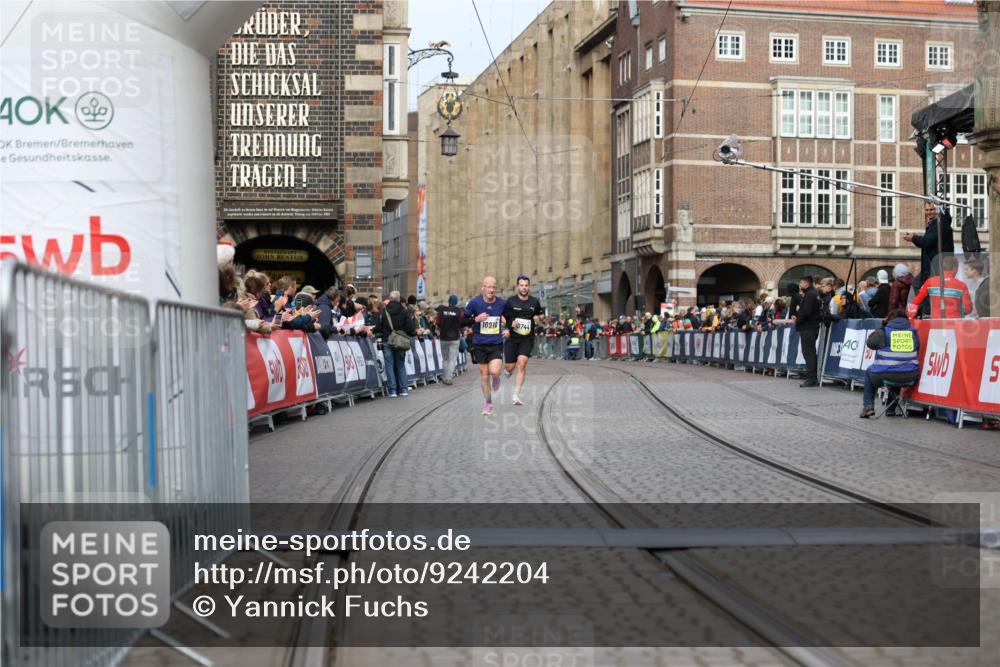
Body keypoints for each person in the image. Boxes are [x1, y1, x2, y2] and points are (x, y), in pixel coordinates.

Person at [859, 309, 920, 418]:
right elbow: (917, 348)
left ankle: (868, 406)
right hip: (910, 376)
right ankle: (891, 409)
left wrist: (880, 328)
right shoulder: (913, 333)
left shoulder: (884, 332)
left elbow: (870, 343)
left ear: (889, 319)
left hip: (884, 375)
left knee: (869, 371)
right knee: (899, 369)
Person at [464, 276, 508, 415]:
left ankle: (496, 378)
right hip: (479, 344)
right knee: (484, 375)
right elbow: (463, 320)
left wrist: (508, 330)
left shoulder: (502, 303)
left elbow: (510, 318)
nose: (491, 290)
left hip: (495, 343)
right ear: (483, 287)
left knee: (494, 371)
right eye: (489, 287)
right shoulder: (474, 303)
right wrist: (475, 319)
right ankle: (488, 403)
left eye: (494, 287)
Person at [502, 275, 544, 405]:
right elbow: (502, 317)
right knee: (510, 366)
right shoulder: (510, 301)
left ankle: (515, 395)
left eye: (526, 285)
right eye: (521, 285)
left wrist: (538, 318)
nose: (524, 288)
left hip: (527, 338)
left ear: (529, 287)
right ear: (517, 287)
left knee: (522, 363)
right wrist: (508, 326)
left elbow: (541, 315)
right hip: (512, 338)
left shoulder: (534, 301)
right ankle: (508, 370)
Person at [904, 202, 954, 310]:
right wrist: (915, 238)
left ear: (937, 210)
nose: (928, 212)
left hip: (936, 264)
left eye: (931, 210)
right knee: (919, 284)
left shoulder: (939, 223)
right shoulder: (936, 223)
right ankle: (925, 308)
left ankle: (927, 309)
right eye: (927, 210)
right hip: (933, 263)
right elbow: (927, 242)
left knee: (923, 286)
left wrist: (913, 238)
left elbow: (927, 241)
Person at [375, 290, 417, 398]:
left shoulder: (383, 311)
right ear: (399, 299)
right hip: (400, 341)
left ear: (389, 299)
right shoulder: (404, 311)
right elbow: (410, 328)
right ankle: (403, 389)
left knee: (389, 365)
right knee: (400, 364)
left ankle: (392, 390)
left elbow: (378, 327)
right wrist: (411, 333)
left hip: (387, 340)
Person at [909, 254, 972, 319]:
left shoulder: (930, 282)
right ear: (955, 268)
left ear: (942, 268)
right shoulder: (962, 285)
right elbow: (968, 309)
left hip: (936, 321)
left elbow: (916, 302)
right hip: (955, 322)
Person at [796, 275, 821, 387]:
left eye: (801, 282)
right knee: (810, 352)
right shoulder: (814, 294)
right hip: (811, 327)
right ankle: (811, 377)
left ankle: (811, 378)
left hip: (808, 327)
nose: (800, 285)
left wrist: (798, 321)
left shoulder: (810, 294)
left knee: (809, 353)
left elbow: (807, 311)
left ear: (806, 283)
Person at [436, 294, 464, 385]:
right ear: (456, 302)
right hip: (455, 338)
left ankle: (444, 377)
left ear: (449, 301)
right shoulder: (459, 311)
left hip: (444, 337)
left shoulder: (442, 310)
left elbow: (438, 323)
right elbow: (461, 322)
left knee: (445, 359)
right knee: (452, 359)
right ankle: (448, 378)